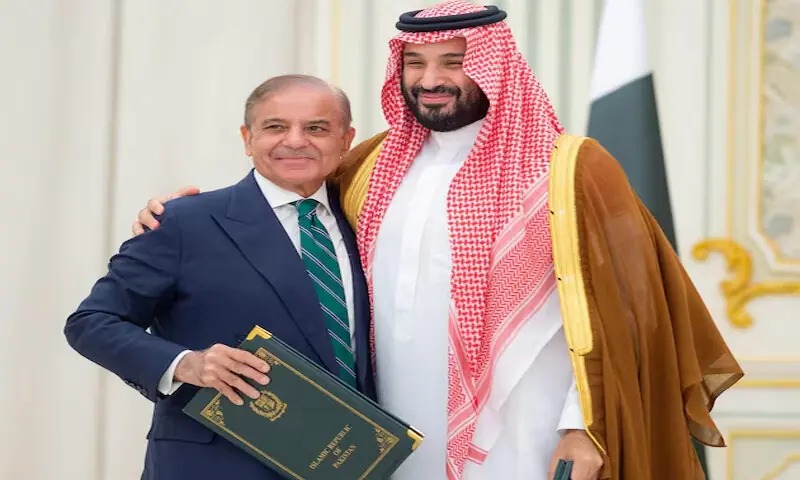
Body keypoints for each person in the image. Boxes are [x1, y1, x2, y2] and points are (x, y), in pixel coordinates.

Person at [133, 2, 744, 479]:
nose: (431, 80)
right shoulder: (370, 165)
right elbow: (282, 216)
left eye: (454, 62)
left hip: (525, 430)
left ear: (494, 64)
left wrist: (584, 426)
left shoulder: (569, 169)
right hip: (389, 431)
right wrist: (181, 214)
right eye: (415, 63)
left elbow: (629, 311)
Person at [63, 74, 374, 480]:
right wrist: (186, 364)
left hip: (351, 464)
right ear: (247, 138)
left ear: (346, 139)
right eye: (275, 126)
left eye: (316, 128)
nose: (296, 141)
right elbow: (91, 323)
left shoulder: (367, 221)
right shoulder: (184, 222)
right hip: (215, 465)